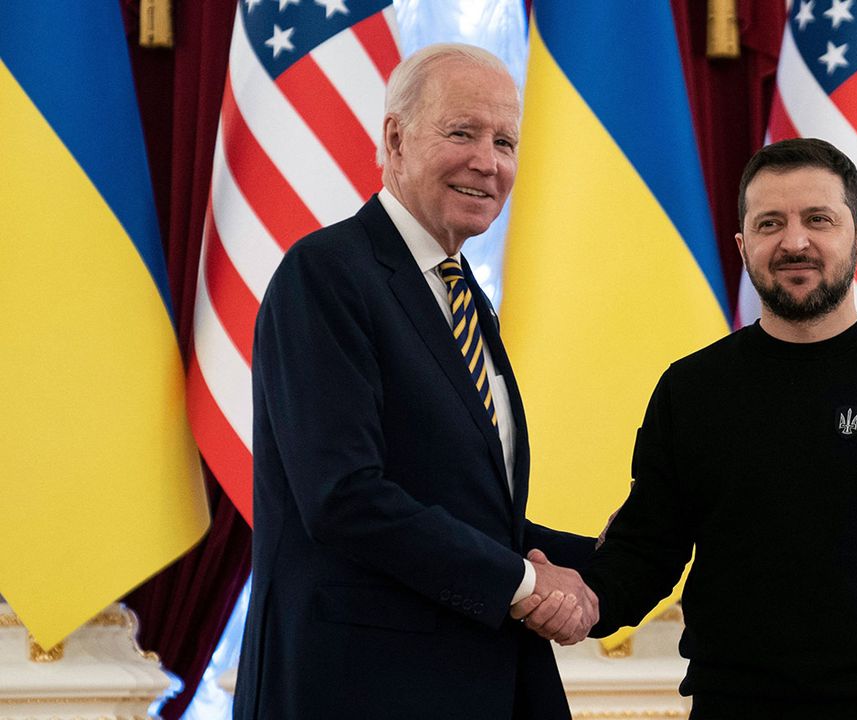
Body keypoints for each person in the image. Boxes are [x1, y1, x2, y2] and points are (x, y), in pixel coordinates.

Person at [575, 138, 857, 719]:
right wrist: (570, 597)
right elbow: (647, 552)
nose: (794, 242)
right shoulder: (690, 390)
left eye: (819, 219)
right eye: (770, 223)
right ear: (743, 246)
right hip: (731, 708)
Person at [234, 44, 598, 720]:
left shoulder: (462, 298)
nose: (488, 161)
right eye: (462, 132)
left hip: (471, 684)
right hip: (354, 692)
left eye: (505, 141)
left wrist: (618, 555)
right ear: (396, 138)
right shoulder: (327, 275)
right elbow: (345, 497)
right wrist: (525, 585)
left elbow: (467, 512)